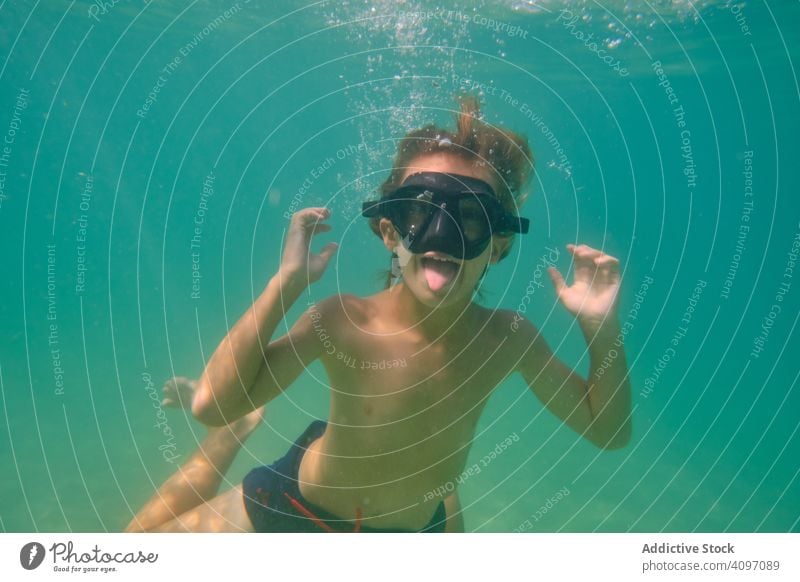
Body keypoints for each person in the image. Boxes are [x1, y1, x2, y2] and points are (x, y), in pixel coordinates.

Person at [126, 96, 632, 533]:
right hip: (298, 510)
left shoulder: (508, 338)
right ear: (391, 232)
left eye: (471, 216)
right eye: (421, 212)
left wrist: (600, 327)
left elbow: (608, 433)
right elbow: (212, 405)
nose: (442, 234)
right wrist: (287, 284)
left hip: (416, 528)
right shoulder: (345, 321)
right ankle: (230, 442)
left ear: (497, 245)